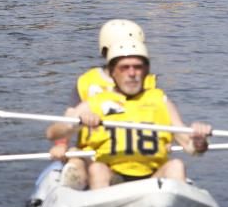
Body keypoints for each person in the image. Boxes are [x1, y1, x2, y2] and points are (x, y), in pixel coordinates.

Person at [47, 29, 211, 190]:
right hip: (112, 176)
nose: (132, 73)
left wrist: (198, 141)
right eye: (124, 68)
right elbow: (53, 133)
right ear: (112, 73)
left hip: (152, 176)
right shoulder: (95, 102)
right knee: (98, 169)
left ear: (146, 71)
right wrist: (76, 124)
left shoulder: (160, 100)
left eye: (137, 67)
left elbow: (190, 147)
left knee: (176, 165)